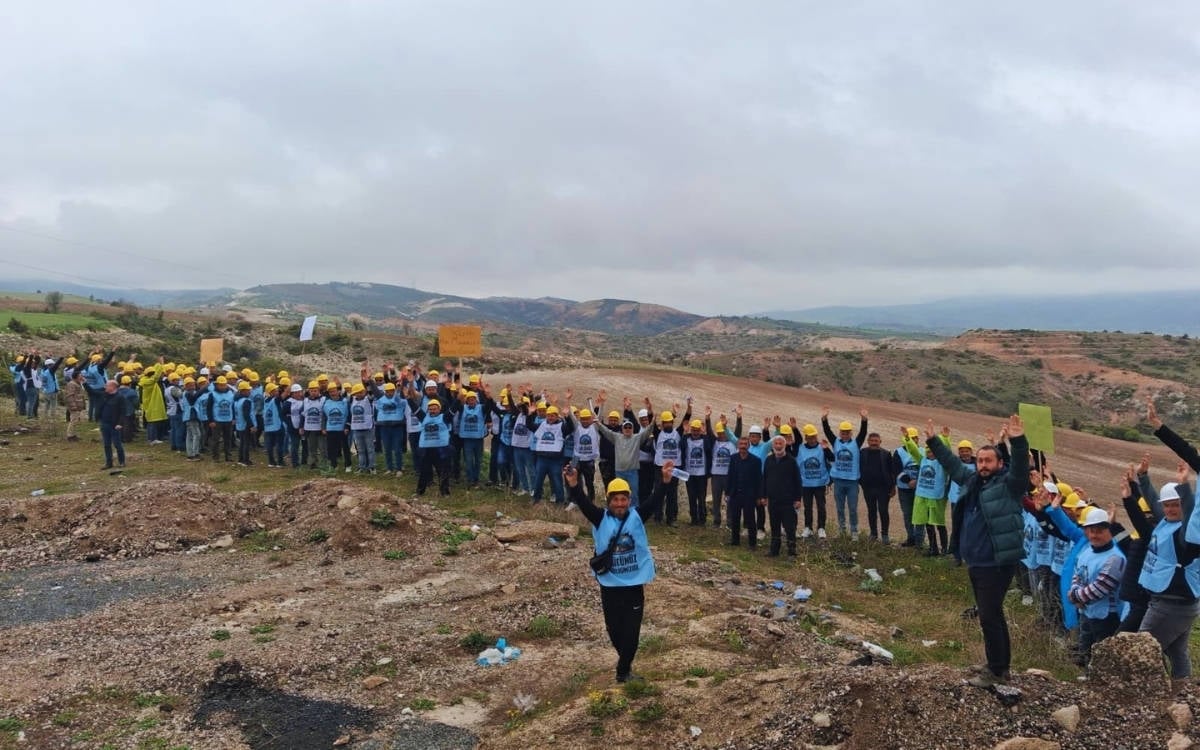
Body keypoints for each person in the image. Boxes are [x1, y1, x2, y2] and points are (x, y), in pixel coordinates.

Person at [932, 414, 1029, 688]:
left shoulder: (1009, 485)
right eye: (980, 461)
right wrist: (933, 441)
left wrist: (1018, 441)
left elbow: (1021, 468)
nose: (983, 465)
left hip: (995, 562)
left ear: (999, 464)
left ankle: (995, 670)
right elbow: (953, 465)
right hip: (977, 561)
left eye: (989, 461)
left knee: (988, 616)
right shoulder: (973, 481)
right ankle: (1001, 665)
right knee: (993, 614)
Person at [565, 460, 671, 684]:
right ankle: (625, 663)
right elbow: (583, 501)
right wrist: (573, 484)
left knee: (632, 632)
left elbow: (655, 499)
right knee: (614, 631)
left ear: (629, 500)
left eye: (624, 499)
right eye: (616, 500)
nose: (620, 504)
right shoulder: (599, 518)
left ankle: (623, 672)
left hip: (633, 585)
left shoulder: (637, 516)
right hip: (610, 585)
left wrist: (664, 480)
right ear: (609, 501)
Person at [822, 407, 869, 536]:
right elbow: (827, 431)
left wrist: (864, 419)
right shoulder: (835, 442)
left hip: (852, 482)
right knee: (840, 508)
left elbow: (863, 432)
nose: (845, 434)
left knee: (852, 509)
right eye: (843, 432)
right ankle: (842, 531)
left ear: (851, 433)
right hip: (838, 481)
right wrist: (824, 419)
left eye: (847, 432)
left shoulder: (856, 443)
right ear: (840, 433)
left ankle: (854, 531)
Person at [762, 435, 802, 557]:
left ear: (784, 445)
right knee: (774, 526)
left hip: (788, 501)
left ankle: (792, 551)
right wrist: (764, 496)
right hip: (773, 500)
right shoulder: (768, 460)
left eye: (780, 444)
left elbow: (798, 481)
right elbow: (764, 479)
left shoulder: (791, 461)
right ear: (773, 446)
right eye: (776, 444)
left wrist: (798, 499)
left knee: (790, 527)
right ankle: (774, 550)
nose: (778, 446)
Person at [725, 437, 764, 549]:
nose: (743, 446)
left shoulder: (756, 461)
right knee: (735, 518)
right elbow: (730, 476)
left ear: (748, 446)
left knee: (750, 519)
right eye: (741, 444)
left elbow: (759, 480)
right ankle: (735, 541)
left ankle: (752, 543)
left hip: (749, 495)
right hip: (735, 493)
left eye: (745, 444)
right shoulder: (733, 458)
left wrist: (759, 496)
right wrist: (727, 493)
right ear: (738, 446)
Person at [858, 432, 897, 543]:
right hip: (868, 487)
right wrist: (861, 482)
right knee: (871, 511)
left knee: (883, 510)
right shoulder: (862, 453)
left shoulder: (886, 454)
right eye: (872, 441)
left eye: (876, 441)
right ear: (868, 441)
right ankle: (873, 533)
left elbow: (892, 471)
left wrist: (893, 487)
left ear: (880, 442)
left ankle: (885, 534)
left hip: (883, 488)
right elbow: (858, 467)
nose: (874, 443)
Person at [97, 379, 126, 469]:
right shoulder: (105, 396)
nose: (105, 387)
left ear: (112, 387)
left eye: (107, 385)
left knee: (117, 444)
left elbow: (123, 412)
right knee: (106, 444)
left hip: (115, 425)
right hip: (104, 423)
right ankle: (109, 462)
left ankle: (122, 461)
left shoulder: (120, 397)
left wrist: (120, 423)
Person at [63, 369, 86, 441]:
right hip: (74, 406)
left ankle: (73, 434)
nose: (81, 377)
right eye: (80, 376)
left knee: (75, 421)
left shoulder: (78, 383)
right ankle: (70, 436)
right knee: (73, 420)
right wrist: (73, 406)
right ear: (76, 377)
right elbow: (69, 396)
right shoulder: (71, 384)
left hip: (78, 405)